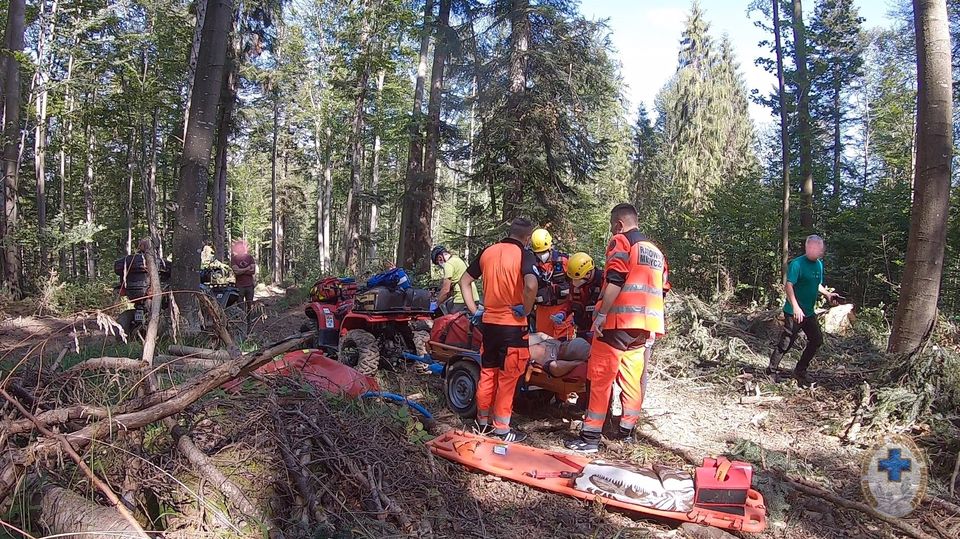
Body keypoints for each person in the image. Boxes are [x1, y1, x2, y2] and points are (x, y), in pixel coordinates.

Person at [565, 203, 667, 453]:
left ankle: (590, 437)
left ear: (619, 224)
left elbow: (615, 280)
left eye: (612, 227)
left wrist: (600, 315)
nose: (612, 232)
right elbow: (662, 289)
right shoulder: (655, 251)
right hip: (643, 327)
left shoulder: (621, 242)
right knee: (632, 379)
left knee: (600, 377)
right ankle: (626, 433)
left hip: (616, 324)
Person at [459, 217, 539, 442]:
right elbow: (531, 285)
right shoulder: (524, 254)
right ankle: (502, 429)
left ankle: (482, 422)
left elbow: (464, 282)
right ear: (526, 238)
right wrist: (525, 309)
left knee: (488, 373)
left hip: (489, 325)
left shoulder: (488, 251)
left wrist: (475, 309)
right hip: (513, 327)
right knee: (508, 377)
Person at [767, 234, 838, 386]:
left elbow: (816, 283)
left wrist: (827, 294)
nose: (818, 251)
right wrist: (795, 307)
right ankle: (771, 371)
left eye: (819, 249)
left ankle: (800, 370)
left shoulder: (819, 264)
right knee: (786, 342)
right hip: (794, 312)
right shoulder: (797, 264)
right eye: (814, 248)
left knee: (816, 340)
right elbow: (789, 285)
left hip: (809, 312)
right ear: (808, 247)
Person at [530, 228, 572, 339]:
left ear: (550, 247)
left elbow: (575, 285)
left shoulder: (563, 261)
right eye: (538, 253)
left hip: (563, 309)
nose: (541, 255)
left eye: (543, 251)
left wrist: (568, 310)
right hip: (542, 311)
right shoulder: (532, 265)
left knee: (563, 345)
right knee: (544, 344)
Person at [562, 252, 604, 338]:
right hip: (582, 331)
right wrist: (563, 313)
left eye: (578, 279)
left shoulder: (603, 282)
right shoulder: (576, 283)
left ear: (588, 273)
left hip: (599, 331)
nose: (574, 282)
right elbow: (570, 303)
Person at [431, 245, 477, 314]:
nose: (440, 265)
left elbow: (445, 290)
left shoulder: (449, 264)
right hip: (474, 297)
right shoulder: (457, 259)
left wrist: (436, 304)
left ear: (440, 257)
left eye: (438, 262)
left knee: (450, 321)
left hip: (462, 299)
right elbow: (450, 291)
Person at [230, 240, 257, 314]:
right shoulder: (234, 259)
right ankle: (242, 323)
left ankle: (249, 323)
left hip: (249, 286)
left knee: (250, 306)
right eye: (238, 247)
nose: (240, 249)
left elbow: (253, 271)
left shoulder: (250, 257)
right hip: (239, 286)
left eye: (241, 247)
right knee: (240, 307)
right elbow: (236, 272)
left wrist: (241, 270)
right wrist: (247, 268)